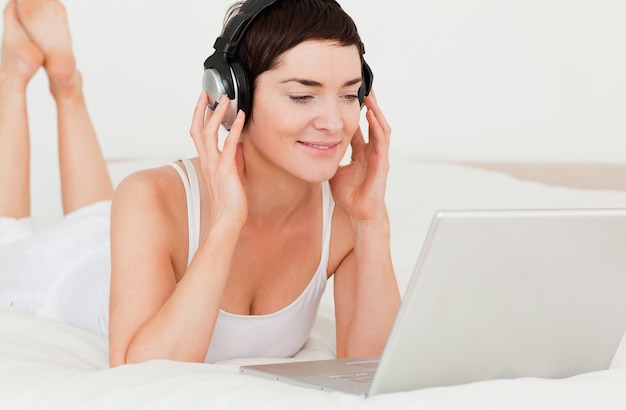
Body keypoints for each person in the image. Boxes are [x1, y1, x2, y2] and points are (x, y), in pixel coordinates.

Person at [0, 0, 401, 367]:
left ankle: (67, 85)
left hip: (123, 245)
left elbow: (371, 365)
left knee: (93, 217)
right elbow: (138, 372)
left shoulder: (347, 214)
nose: (334, 124)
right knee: (10, 238)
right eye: (302, 96)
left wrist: (371, 221)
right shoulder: (149, 196)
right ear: (232, 95)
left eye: (349, 96)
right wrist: (226, 222)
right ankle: (14, 74)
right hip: (66, 269)